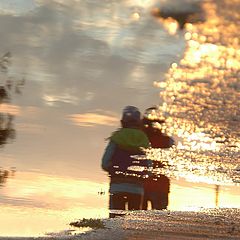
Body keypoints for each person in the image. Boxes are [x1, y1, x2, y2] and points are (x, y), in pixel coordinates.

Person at [101, 106, 150, 217]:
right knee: (133, 224)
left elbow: (104, 163)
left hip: (117, 187)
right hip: (137, 189)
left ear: (122, 121)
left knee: (114, 224)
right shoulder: (143, 139)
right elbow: (149, 167)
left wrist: (113, 169)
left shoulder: (117, 137)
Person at [142, 107, 174, 210]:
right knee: (160, 217)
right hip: (162, 184)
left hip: (143, 185)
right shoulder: (167, 140)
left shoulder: (142, 139)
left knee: (140, 218)